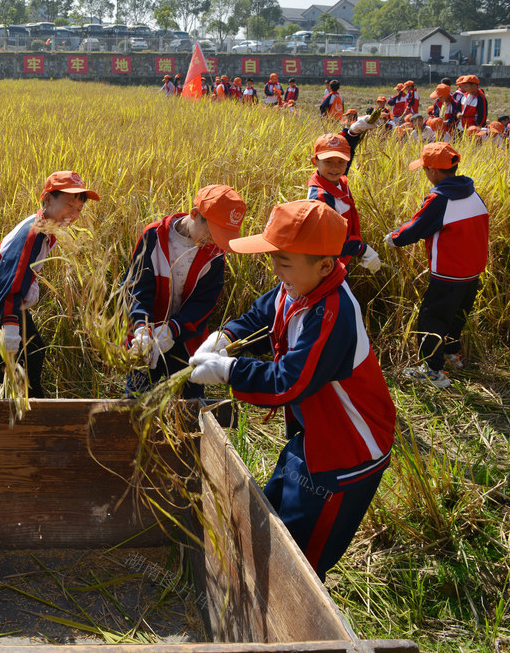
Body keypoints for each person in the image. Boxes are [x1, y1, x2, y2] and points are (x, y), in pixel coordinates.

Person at [188, 199, 396, 581]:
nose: (275, 270)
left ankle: (296, 621)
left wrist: (230, 371)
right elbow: (264, 311)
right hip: (312, 436)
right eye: (273, 259)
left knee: (301, 560)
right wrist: (227, 335)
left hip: (344, 453)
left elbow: (289, 383)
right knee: (274, 510)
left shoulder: (333, 315)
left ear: (325, 265)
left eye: (283, 261)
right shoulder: (298, 286)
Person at [0, 171, 100, 398]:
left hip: (9, 298)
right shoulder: (33, 233)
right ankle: (0, 420)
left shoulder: (49, 226)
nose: (74, 215)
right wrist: (9, 327)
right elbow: (9, 279)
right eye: (68, 206)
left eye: (78, 210)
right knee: (4, 369)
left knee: (35, 351)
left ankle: (34, 399)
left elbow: (25, 272)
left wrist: (31, 284)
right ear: (48, 200)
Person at [123, 185, 247, 398]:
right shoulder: (154, 237)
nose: (215, 241)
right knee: (137, 401)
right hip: (146, 340)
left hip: (187, 339)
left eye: (222, 236)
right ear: (195, 214)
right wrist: (142, 329)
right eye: (212, 232)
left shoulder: (215, 254)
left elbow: (203, 304)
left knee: (191, 404)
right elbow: (137, 287)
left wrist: (172, 330)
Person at [383, 142, 489, 387]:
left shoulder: (440, 199)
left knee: (432, 319)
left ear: (432, 171)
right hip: (472, 272)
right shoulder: (472, 191)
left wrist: (394, 239)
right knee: (458, 315)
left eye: (425, 169)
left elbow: (416, 228)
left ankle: (433, 371)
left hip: (449, 273)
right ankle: (452, 355)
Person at [306, 113, 382, 270]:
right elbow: (328, 238)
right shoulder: (321, 197)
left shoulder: (335, 178)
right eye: (328, 161)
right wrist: (362, 250)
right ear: (315, 162)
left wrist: (353, 131)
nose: (335, 167)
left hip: (341, 258)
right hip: (327, 265)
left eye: (341, 162)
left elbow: (346, 149)